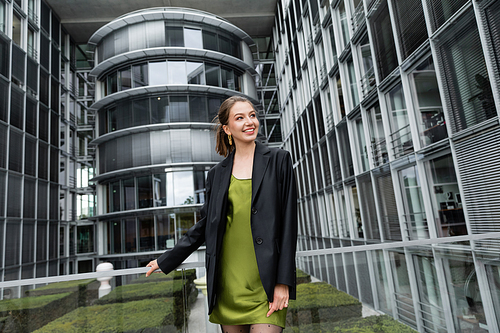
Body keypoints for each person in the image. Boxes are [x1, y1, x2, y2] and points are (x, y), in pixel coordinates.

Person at [146, 95, 297, 333]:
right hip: (228, 283)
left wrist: (283, 282)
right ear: (227, 128)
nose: (250, 122)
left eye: (252, 115)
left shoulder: (279, 160)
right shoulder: (216, 174)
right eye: (240, 118)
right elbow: (206, 226)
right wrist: (167, 259)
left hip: (266, 284)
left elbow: (289, 224)